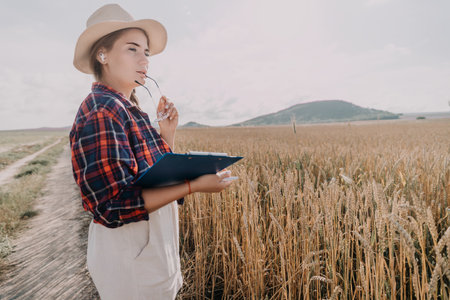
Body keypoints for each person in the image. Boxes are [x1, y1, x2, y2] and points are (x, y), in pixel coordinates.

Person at [70, 4, 234, 299]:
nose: (144, 59)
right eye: (132, 49)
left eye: (146, 52)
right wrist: (193, 185)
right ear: (102, 55)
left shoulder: (129, 108)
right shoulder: (101, 109)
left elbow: (152, 177)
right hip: (129, 260)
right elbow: (111, 205)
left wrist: (168, 134)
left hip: (149, 252)